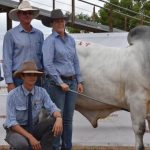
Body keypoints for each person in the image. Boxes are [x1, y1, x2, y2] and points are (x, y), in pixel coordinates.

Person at [41, 9, 84, 150]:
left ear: (65, 22)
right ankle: (55, 148)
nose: (60, 23)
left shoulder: (71, 40)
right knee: (56, 118)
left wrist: (79, 80)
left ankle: (67, 147)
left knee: (67, 120)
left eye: (62, 20)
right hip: (55, 84)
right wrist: (60, 82)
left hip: (71, 82)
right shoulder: (50, 41)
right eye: (57, 21)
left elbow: (75, 61)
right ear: (52, 24)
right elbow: (48, 64)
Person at [4, 61, 63, 150]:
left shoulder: (42, 92)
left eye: (35, 75)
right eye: (29, 74)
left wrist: (59, 118)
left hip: (33, 128)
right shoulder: (13, 95)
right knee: (22, 144)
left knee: (55, 122)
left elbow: (52, 107)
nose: (33, 77)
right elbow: (11, 122)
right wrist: (30, 137)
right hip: (15, 130)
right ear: (22, 76)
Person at [3, 0, 44, 92]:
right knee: (19, 106)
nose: (27, 15)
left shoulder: (39, 34)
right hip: (18, 78)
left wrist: (44, 77)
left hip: (36, 77)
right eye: (24, 13)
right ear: (19, 14)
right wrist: (9, 82)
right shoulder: (10, 34)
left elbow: (42, 56)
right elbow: (7, 59)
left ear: (32, 15)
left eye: (30, 13)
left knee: (36, 105)